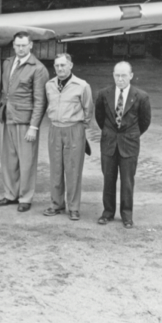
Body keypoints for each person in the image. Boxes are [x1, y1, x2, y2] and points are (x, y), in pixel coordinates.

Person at [0, 31, 49, 212]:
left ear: (31, 45)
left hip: (25, 121)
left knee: (26, 161)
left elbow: (40, 100)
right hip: (7, 117)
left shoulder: (38, 68)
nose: (20, 48)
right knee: (8, 159)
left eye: (24, 45)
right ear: (13, 45)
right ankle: (10, 194)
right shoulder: (8, 63)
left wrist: (34, 126)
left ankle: (25, 197)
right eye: (17, 45)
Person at [95, 61, 151, 229]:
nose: (120, 79)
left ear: (131, 76)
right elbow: (100, 118)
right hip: (109, 143)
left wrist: (130, 135)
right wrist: (111, 133)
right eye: (117, 75)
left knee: (127, 181)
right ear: (113, 75)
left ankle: (127, 215)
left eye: (123, 75)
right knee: (108, 179)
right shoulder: (104, 94)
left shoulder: (141, 96)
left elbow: (144, 122)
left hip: (129, 145)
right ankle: (108, 213)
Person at [43, 53, 93, 221]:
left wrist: (79, 128)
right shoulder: (49, 85)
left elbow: (88, 111)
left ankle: (73, 207)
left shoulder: (82, 85)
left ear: (71, 65)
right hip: (55, 129)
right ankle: (56, 204)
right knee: (55, 168)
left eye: (63, 65)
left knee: (73, 169)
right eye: (57, 65)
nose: (60, 68)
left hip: (74, 129)